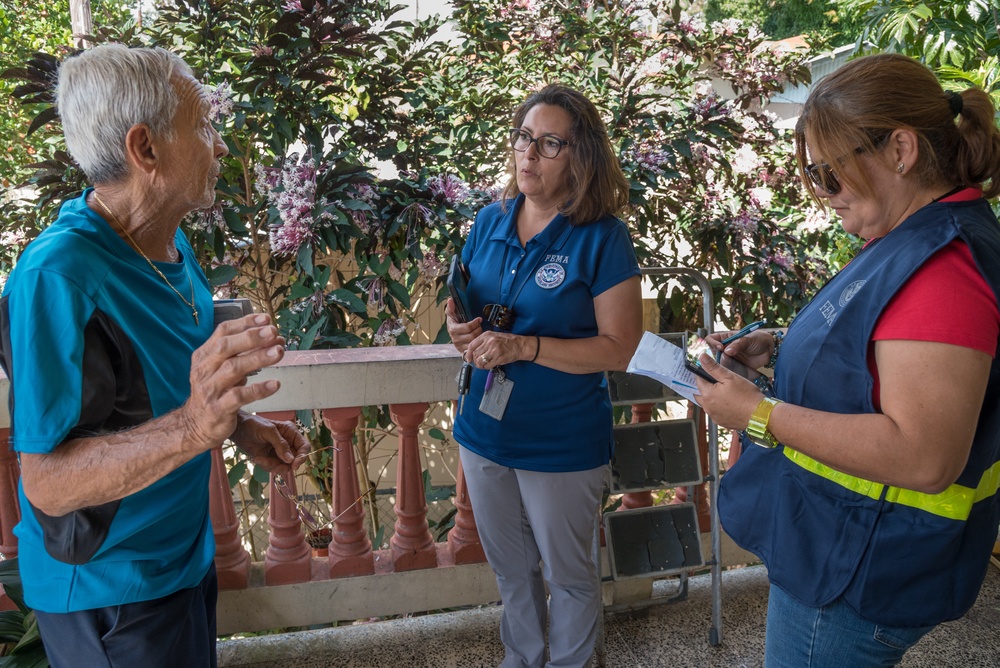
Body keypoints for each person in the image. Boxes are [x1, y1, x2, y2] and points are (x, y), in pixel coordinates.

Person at [0, 44, 311, 667]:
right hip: (110, 594)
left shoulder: (167, 243)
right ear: (144, 150)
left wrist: (239, 426)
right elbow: (49, 483)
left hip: (182, 559)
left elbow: (163, 389)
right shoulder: (58, 275)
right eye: (203, 126)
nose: (220, 146)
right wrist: (198, 424)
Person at [693, 53, 1000, 667]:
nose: (820, 195)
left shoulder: (941, 268)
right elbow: (887, 347)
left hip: (857, 570)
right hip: (844, 546)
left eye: (827, 174)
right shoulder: (913, 233)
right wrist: (782, 345)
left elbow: (924, 455)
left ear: (900, 151)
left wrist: (757, 413)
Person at [445, 83, 643, 668]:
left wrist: (525, 346)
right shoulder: (488, 221)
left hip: (561, 441)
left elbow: (620, 347)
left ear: (579, 156)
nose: (528, 154)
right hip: (484, 430)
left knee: (570, 577)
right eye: (524, 138)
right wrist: (460, 332)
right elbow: (462, 309)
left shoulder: (602, 237)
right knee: (511, 572)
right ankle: (522, 660)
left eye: (549, 143)